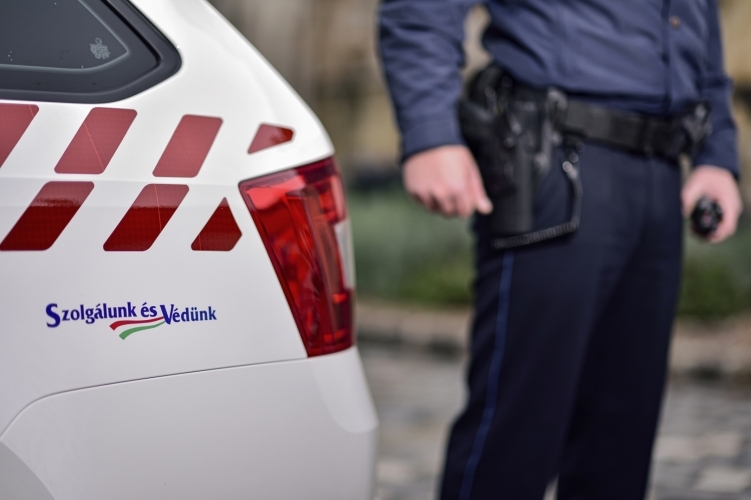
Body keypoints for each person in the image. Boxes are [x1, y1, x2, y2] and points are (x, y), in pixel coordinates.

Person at [378, 1, 743, 499]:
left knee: (620, 443)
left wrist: (717, 152)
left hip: (660, 171)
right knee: (516, 435)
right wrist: (430, 134)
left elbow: (697, 20)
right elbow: (420, 9)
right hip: (554, 161)